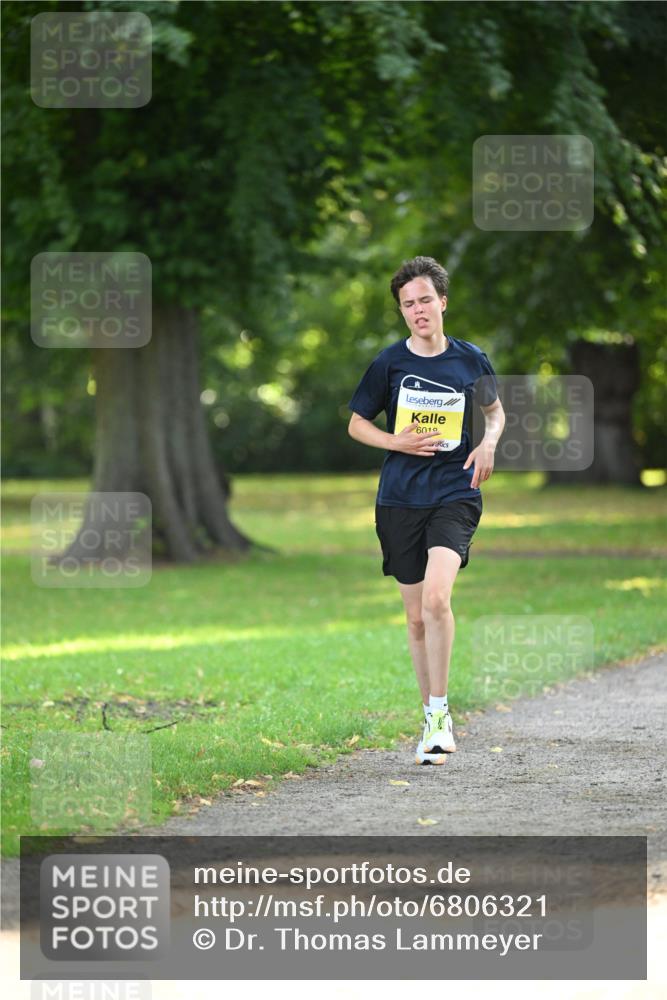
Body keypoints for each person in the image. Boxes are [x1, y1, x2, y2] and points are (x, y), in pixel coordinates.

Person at [347, 256, 505, 765]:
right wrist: (394, 439)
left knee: (437, 599)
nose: (417, 310)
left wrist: (489, 445)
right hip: (398, 500)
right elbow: (355, 423)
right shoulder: (390, 363)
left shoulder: (471, 360)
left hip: (455, 494)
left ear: (443, 302)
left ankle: (439, 715)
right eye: (407, 304)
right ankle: (429, 716)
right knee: (415, 619)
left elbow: (494, 412)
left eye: (423, 300)